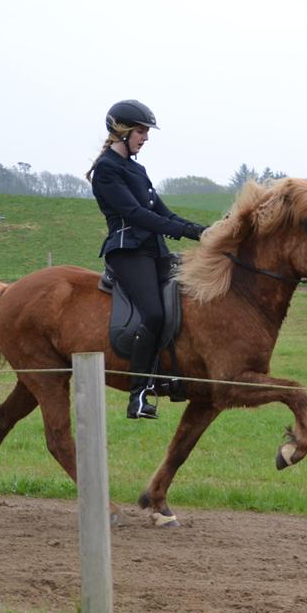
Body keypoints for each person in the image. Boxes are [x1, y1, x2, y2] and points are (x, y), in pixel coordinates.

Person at [86, 99, 206, 419]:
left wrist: (202, 231)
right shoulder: (106, 171)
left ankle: (173, 376)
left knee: (181, 304)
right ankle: (137, 395)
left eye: (146, 132)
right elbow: (137, 215)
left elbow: (161, 212)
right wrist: (184, 230)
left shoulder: (137, 169)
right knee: (152, 314)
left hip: (154, 251)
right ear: (121, 131)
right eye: (141, 131)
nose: (146, 138)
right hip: (128, 251)